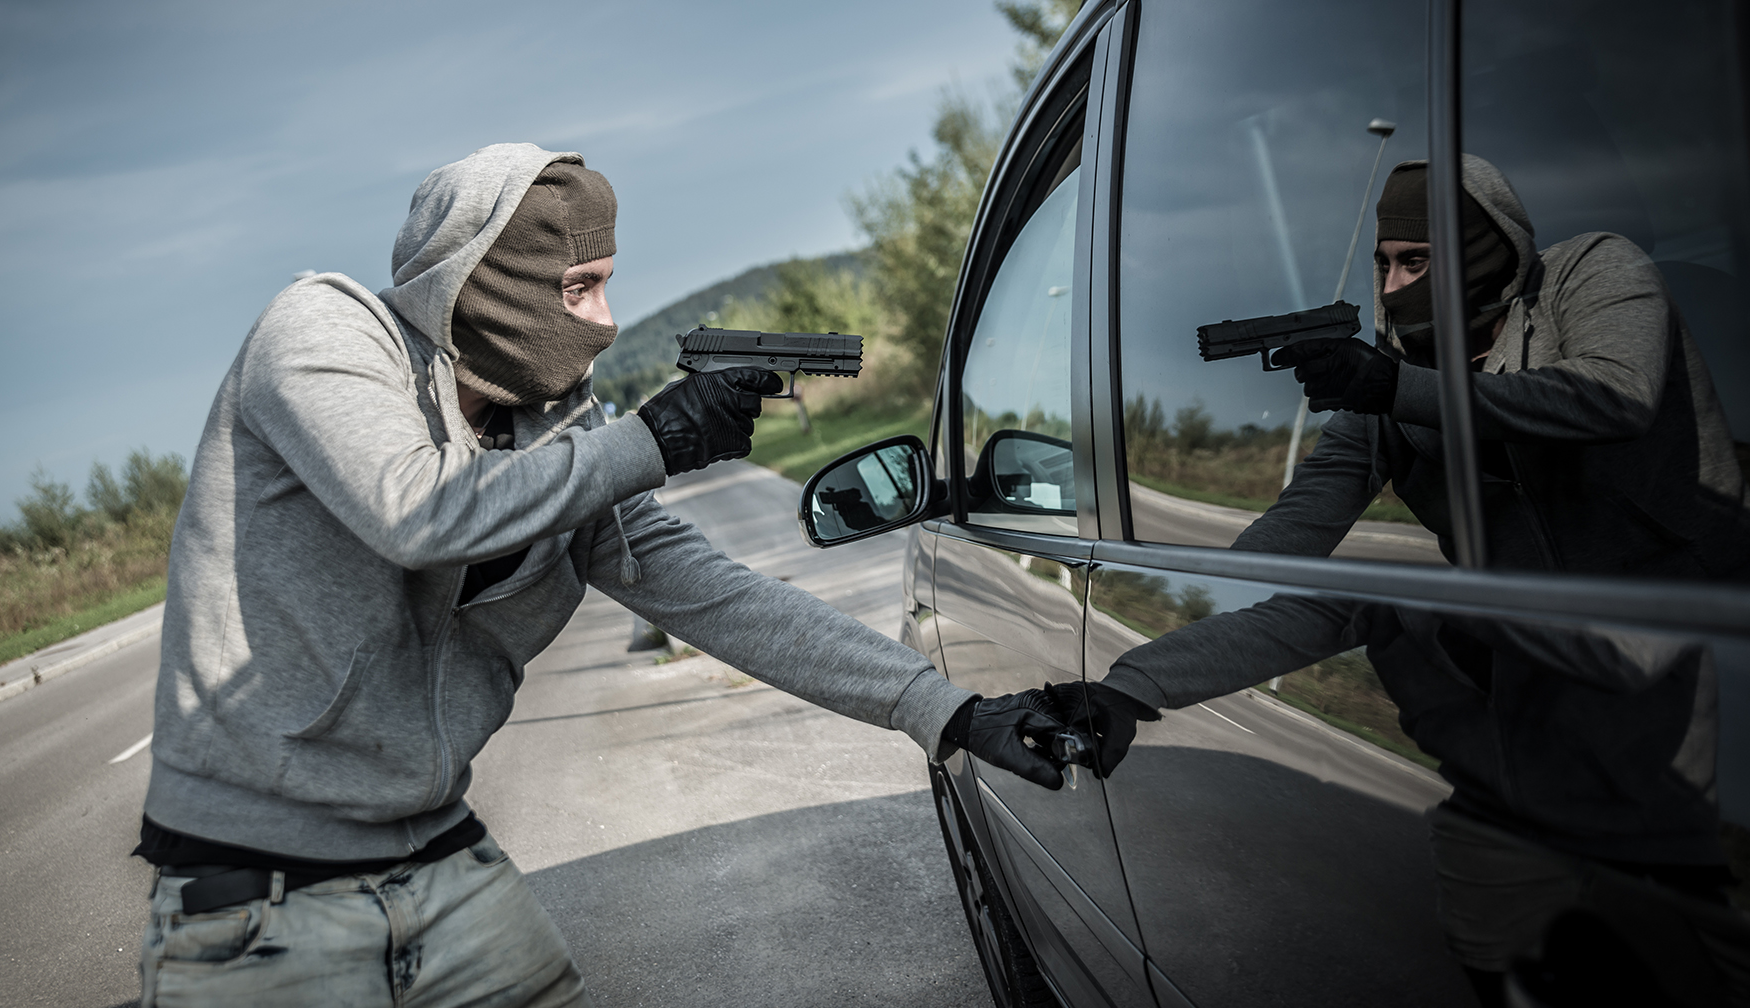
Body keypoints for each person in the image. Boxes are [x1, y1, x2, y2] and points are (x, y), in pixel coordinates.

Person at [133, 143, 1079, 1007]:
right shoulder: (319, 333)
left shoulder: (556, 435)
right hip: (258, 893)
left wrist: (941, 709)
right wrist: (654, 437)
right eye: (578, 288)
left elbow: (720, 596)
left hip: (433, 850)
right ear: (487, 284)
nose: (605, 319)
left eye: (608, 285)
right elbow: (417, 512)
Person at [1056, 155, 1750, 1005]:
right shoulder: (1390, 388)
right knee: (1494, 944)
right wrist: (1136, 682)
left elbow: (1618, 395)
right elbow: (1278, 560)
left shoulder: (1590, 270)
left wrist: (1399, 385)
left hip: (1692, 671)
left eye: (1415, 261)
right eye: (1382, 263)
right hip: (1525, 720)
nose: (1392, 288)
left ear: (1484, 251)